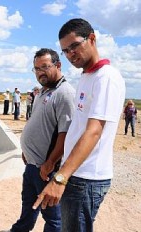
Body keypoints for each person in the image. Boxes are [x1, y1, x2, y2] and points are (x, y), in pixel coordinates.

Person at [33, 18, 126, 232]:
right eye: (65, 50)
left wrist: (60, 178)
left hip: (87, 179)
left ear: (92, 39)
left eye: (74, 45)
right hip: (75, 173)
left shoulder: (106, 78)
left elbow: (94, 131)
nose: (70, 54)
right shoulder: (87, 76)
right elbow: (76, 127)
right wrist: (55, 161)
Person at [10, 48, 75, 232]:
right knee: (28, 208)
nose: (40, 72)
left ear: (58, 65)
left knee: (53, 218)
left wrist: (50, 163)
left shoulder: (65, 93)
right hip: (31, 165)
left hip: (45, 170)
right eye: (36, 69)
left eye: (45, 67)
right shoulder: (43, 92)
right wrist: (26, 150)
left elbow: (66, 134)